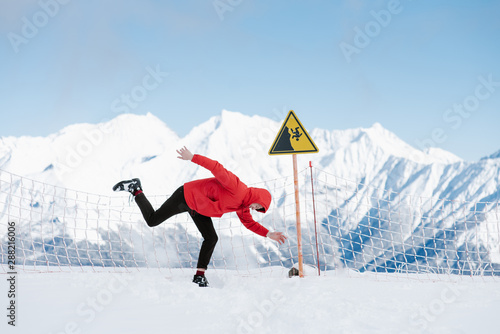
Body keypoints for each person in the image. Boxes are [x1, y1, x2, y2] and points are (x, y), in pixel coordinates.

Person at [113, 147, 287, 287]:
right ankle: (136, 189)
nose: (254, 208)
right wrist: (192, 157)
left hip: (199, 209)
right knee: (153, 220)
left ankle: (199, 276)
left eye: (258, 209)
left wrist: (268, 234)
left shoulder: (243, 207)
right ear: (256, 198)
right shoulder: (237, 188)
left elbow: (249, 224)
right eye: (258, 205)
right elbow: (216, 168)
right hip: (186, 196)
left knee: (211, 238)